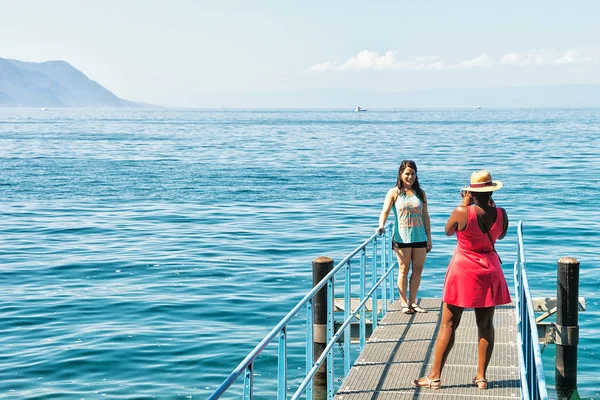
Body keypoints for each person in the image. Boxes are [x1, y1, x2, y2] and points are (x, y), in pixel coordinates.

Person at [412, 170, 510, 390]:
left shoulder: (461, 211)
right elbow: (501, 235)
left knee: (448, 324)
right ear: (491, 190)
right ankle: (481, 377)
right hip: (490, 271)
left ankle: (435, 377)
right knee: (485, 325)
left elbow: (448, 231)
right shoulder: (502, 213)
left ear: (471, 191)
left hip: (464, 271)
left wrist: (464, 204)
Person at [377, 160, 432, 315]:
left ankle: (413, 302)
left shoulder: (420, 193)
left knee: (418, 269)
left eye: (413, 173)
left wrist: (429, 238)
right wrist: (381, 225)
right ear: (401, 174)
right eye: (407, 173)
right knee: (403, 269)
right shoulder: (394, 192)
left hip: (420, 235)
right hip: (402, 236)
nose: (410, 177)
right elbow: (385, 211)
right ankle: (403, 303)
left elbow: (425, 216)